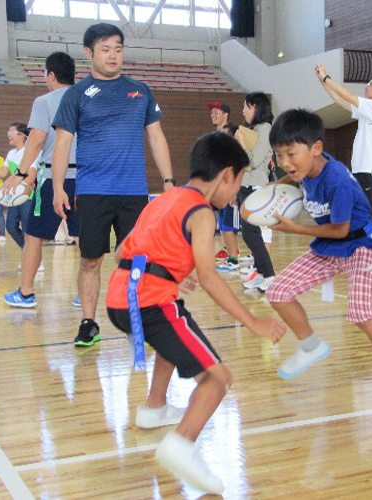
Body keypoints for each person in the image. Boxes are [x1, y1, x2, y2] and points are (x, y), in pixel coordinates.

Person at [106, 132, 286, 494]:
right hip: (151, 302)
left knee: (173, 339)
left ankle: (154, 408)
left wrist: (168, 271)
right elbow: (209, 278)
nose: (235, 193)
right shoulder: (203, 212)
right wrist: (255, 323)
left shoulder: (164, 198)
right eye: (237, 184)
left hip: (119, 299)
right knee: (218, 379)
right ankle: (182, 445)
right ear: (225, 175)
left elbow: (123, 250)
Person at [264, 108, 372, 415]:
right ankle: (310, 345)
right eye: (279, 155)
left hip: (359, 243)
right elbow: (291, 177)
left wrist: (296, 230)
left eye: (290, 154)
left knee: (361, 312)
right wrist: (270, 192)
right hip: (330, 244)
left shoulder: (337, 182)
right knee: (277, 291)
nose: (284, 163)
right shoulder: (305, 169)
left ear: (316, 148)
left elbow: (341, 229)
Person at [52, 23, 175, 347]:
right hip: (93, 191)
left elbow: (156, 136)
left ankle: (138, 318)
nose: (113, 55)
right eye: (105, 49)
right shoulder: (76, 95)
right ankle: (89, 323)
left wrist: (169, 181)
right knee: (90, 259)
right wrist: (58, 187)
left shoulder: (141, 91)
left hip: (134, 192)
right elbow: (62, 144)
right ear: (89, 54)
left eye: (118, 48)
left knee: (136, 261)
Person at [3, 52, 80, 309]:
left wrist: (21, 172)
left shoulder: (44, 101)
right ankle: (84, 294)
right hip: (87, 179)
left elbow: (35, 140)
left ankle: (25, 293)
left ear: (51, 75)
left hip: (56, 178)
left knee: (33, 236)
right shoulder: (85, 98)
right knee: (83, 237)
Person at [315, 64, 372, 280]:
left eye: (370, 85)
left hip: (371, 171)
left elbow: (348, 95)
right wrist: (322, 83)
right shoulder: (368, 109)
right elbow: (341, 101)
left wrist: (327, 77)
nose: (366, 87)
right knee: (368, 217)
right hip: (361, 171)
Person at [233, 92, 276, 291]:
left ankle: (269, 275)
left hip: (256, 189)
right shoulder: (254, 129)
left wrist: (241, 143)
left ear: (256, 108)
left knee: (252, 234)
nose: (243, 110)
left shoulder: (266, 129)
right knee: (250, 234)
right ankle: (260, 273)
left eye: (246, 106)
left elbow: (253, 161)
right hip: (245, 188)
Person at [207, 102, 241, 271]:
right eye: (212, 111)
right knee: (223, 224)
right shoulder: (216, 134)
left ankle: (234, 260)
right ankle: (231, 255)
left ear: (225, 114)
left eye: (216, 111)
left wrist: (234, 188)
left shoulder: (232, 133)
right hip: (218, 187)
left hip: (229, 187)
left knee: (228, 226)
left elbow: (236, 160)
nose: (213, 114)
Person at [3, 122, 33, 249]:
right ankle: (29, 255)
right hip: (15, 197)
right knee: (11, 226)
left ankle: (35, 260)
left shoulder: (30, 152)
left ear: (21, 135)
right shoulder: (11, 153)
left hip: (27, 195)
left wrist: (17, 185)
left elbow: (32, 176)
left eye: (11, 132)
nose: (9, 135)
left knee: (28, 230)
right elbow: (3, 172)